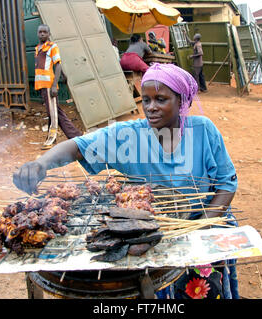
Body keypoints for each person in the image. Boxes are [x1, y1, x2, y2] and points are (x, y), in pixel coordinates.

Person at [13, 63, 239, 299]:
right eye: (146, 100)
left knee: (201, 288)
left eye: (161, 99)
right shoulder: (129, 135)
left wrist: (198, 226)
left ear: (181, 101)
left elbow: (226, 184)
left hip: (199, 222)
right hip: (147, 230)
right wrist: (41, 164)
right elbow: (79, 147)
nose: (151, 108)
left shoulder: (204, 131)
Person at [35, 24, 82, 150]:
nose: (42, 34)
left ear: (49, 34)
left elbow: (58, 65)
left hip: (49, 85)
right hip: (42, 86)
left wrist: (55, 85)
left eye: (45, 32)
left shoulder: (52, 47)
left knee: (54, 114)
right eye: (40, 32)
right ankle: (76, 136)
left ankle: (52, 138)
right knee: (54, 112)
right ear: (37, 33)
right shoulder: (37, 48)